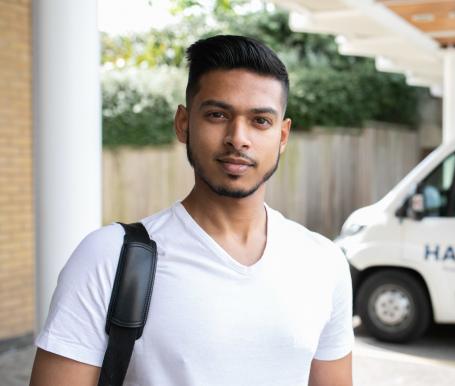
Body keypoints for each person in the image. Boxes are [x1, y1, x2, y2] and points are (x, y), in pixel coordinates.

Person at [29, 35, 354, 386]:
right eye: (217, 115)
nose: (238, 137)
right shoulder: (108, 258)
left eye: (260, 121)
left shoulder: (323, 263)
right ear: (184, 123)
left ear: (283, 135)